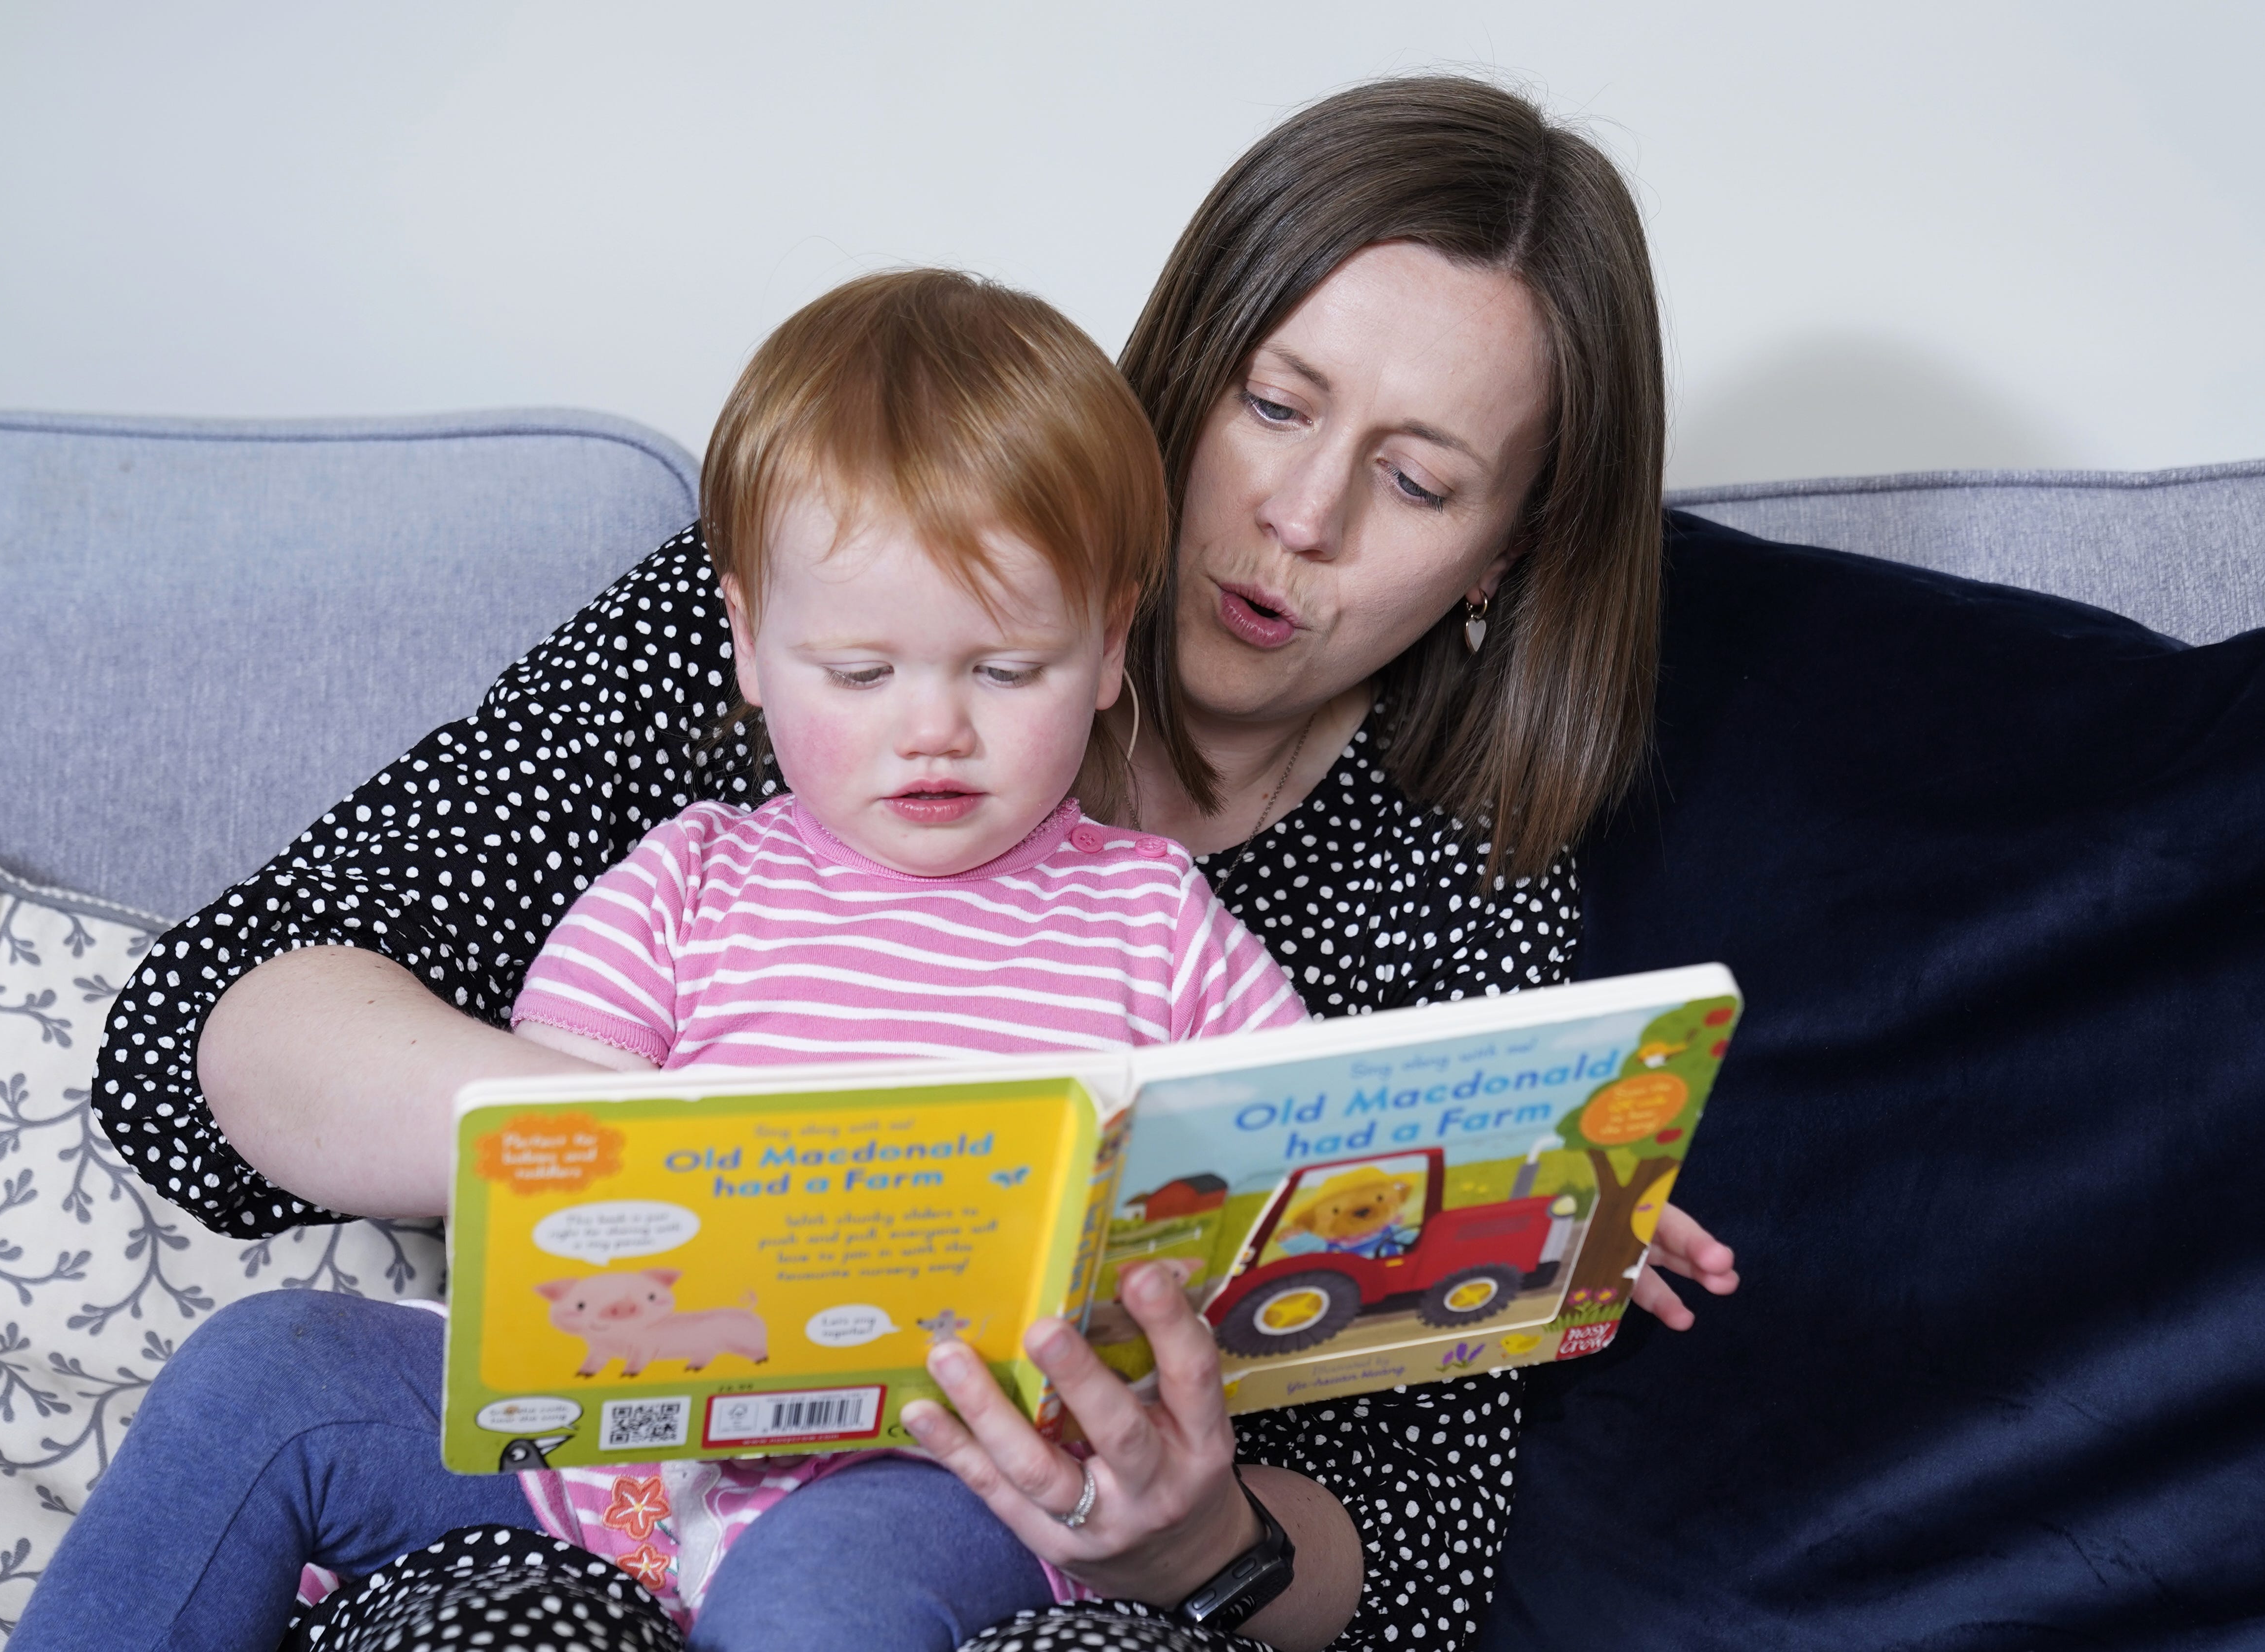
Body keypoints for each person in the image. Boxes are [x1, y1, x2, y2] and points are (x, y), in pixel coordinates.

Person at [86, 74, 1740, 1652]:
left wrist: (1513, 1179)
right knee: (288, 1397)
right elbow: (207, 1041)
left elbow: (1406, 1497)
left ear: (1503, 552)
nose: (1303, 513)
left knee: (848, 1600)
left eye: (1416, 479)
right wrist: (649, 1167)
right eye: (1276, 402)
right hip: (599, 1477)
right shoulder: (817, 617)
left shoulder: (1307, 904)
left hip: (953, 1510)